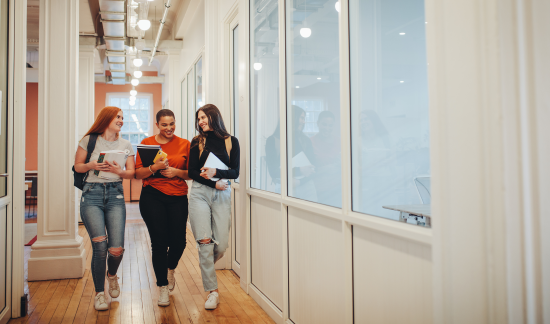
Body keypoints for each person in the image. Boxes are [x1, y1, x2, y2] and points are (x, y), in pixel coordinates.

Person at [74, 106, 136, 311]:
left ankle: (112, 276)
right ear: (106, 118)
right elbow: (77, 167)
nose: (121, 120)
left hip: (116, 195)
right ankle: (99, 294)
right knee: (100, 247)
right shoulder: (89, 140)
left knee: (116, 248)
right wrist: (92, 165)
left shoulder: (126, 144)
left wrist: (120, 170)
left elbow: (131, 173)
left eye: (122, 118)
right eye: (118, 117)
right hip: (91, 195)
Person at [135, 109, 192, 307]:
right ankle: (162, 287)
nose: (169, 128)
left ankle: (170, 268)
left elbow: (191, 173)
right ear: (157, 125)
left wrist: (176, 171)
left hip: (178, 196)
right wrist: (155, 168)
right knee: (159, 243)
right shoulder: (147, 144)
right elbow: (138, 174)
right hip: (153, 196)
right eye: (164, 124)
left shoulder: (185, 144)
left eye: (172, 124)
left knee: (179, 242)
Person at [188, 104, 240, 310]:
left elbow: (235, 172)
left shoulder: (231, 141)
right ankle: (213, 291)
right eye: (198, 118)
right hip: (200, 192)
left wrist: (216, 172)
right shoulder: (196, 141)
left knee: (222, 244)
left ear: (214, 117)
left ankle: (206, 261)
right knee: (204, 242)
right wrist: (212, 181)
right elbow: (192, 171)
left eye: (204, 117)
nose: (201, 121)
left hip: (222, 193)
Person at [310, 110, 341, 207]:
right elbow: (308, 169)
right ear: (318, 124)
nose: (327, 128)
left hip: (338, 189)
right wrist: (326, 169)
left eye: (330, 125)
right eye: (324, 124)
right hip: (318, 190)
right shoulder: (310, 142)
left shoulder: (340, 141)